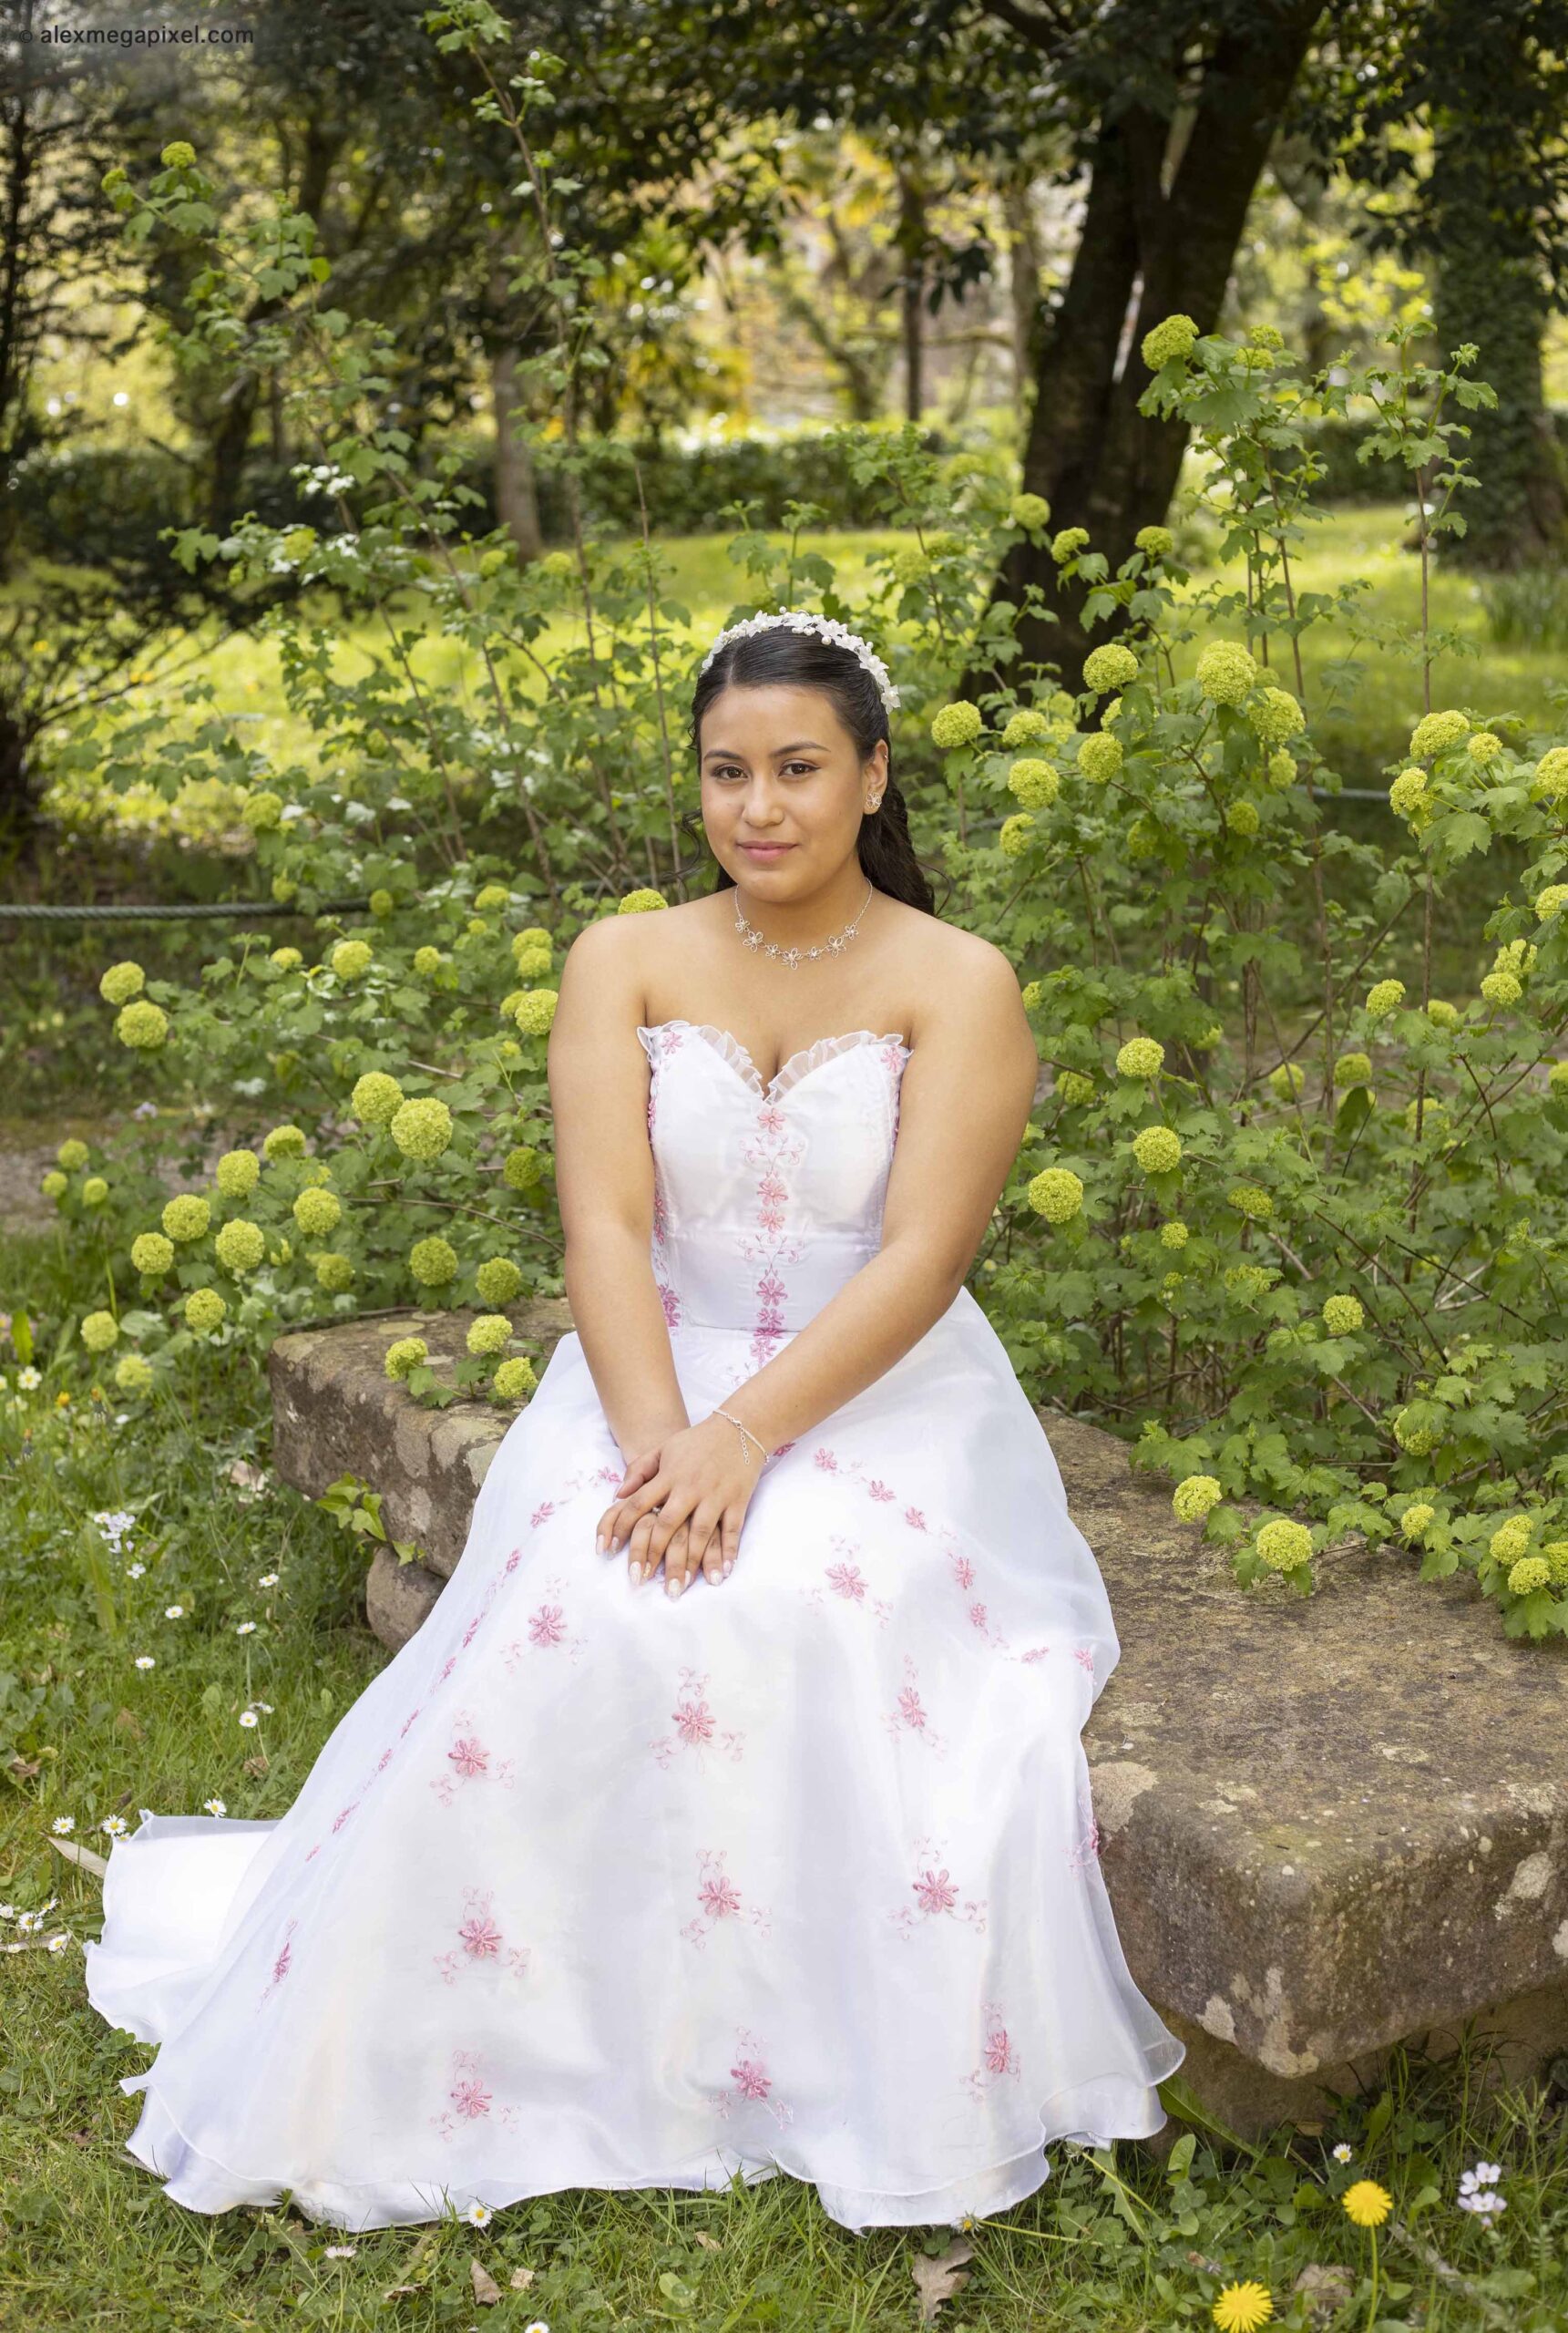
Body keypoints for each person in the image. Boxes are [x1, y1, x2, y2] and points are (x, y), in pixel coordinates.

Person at [84, 610, 1184, 2234]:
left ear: (872, 778)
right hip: (641, 1370)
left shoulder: (958, 981)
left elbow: (923, 1257)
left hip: (881, 1391)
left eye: (799, 769)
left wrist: (745, 1443)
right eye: (726, 773)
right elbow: (603, 1228)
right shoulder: (627, 958)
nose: (759, 807)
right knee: (598, 1598)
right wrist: (662, 1434)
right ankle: (523, 2030)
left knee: (815, 1609)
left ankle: (790, 2050)